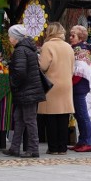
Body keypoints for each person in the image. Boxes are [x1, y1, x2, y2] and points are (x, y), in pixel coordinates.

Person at [3, 24, 45, 158]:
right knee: (19, 118)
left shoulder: (20, 50)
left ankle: (33, 149)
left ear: (15, 37)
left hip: (26, 90)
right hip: (28, 89)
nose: (9, 38)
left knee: (29, 119)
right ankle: (15, 147)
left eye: (10, 36)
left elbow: (20, 72)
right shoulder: (28, 48)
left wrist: (13, 83)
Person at [38, 23, 75, 155]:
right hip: (66, 84)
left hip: (51, 84)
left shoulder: (47, 45)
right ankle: (62, 147)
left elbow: (43, 66)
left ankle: (53, 148)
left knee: (51, 117)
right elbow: (72, 67)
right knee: (63, 117)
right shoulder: (68, 47)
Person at [69, 25, 91, 153]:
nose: (70, 38)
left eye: (73, 36)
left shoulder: (80, 50)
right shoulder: (77, 48)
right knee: (78, 115)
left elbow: (80, 70)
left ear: (80, 37)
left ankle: (87, 142)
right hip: (78, 84)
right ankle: (82, 141)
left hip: (79, 84)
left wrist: (70, 83)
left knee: (83, 115)